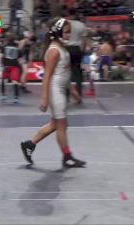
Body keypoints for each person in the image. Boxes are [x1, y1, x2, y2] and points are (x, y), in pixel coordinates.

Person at [20, 17, 86, 168]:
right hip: (55, 91)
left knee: (56, 124)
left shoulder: (61, 47)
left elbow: (64, 73)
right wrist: (44, 99)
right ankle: (67, 156)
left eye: (69, 32)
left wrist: (73, 91)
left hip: (61, 89)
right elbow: (47, 76)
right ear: (58, 32)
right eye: (66, 32)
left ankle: (29, 144)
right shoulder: (54, 51)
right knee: (61, 125)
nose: (69, 35)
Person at [0, 33, 22, 104]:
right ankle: (16, 97)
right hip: (15, 66)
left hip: (6, 66)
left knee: (3, 80)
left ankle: (3, 95)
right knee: (15, 81)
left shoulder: (4, 47)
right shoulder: (17, 47)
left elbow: (2, 57)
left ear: (7, 39)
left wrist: (2, 64)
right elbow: (20, 57)